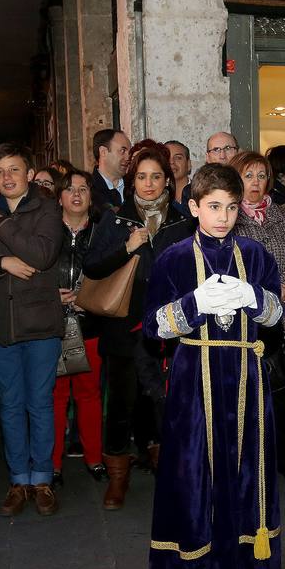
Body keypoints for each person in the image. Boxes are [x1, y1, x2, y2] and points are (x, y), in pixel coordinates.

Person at [142, 162, 284, 569]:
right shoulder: (174, 258)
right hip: (193, 379)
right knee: (194, 476)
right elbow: (154, 325)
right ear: (194, 206)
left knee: (246, 473)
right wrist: (194, 305)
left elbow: (276, 316)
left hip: (245, 374)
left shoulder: (256, 253)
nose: (223, 216)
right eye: (213, 207)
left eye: (230, 206)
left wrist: (253, 296)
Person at [83, 141, 194, 508]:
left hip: (169, 330)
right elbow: (92, 267)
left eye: (156, 177)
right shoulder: (116, 220)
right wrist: (127, 247)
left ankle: (165, 466)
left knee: (164, 402)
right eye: (142, 177)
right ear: (132, 181)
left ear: (168, 180)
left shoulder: (182, 222)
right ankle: (117, 478)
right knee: (121, 404)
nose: (149, 184)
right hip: (123, 328)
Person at [0, 144, 64, 517]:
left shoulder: (47, 208)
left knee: (39, 404)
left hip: (40, 323)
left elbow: (42, 255)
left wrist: (2, 227)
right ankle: (19, 480)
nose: (7, 177)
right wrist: (1, 262)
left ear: (29, 174)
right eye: (0, 172)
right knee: (10, 405)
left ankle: (42, 479)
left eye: (14, 170)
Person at [230, 151, 285, 485]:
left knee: (282, 392)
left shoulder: (279, 213)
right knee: (247, 397)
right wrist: (262, 296)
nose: (257, 183)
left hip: (283, 316)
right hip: (247, 321)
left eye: (262, 176)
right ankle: (252, 463)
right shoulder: (229, 218)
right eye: (249, 176)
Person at [50, 169, 105, 484]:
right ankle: (54, 464)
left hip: (90, 322)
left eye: (83, 189)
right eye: (69, 189)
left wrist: (88, 297)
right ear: (59, 196)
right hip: (53, 323)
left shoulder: (101, 231)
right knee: (56, 396)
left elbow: (112, 275)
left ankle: (95, 459)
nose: (76, 194)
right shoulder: (47, 231)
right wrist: (50, 295)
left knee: (89, 393)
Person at [90, 128, 132, 213]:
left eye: (130, 152)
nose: (128, 158)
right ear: (103, 152)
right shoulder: (88, 191)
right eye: (123, 151)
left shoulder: (135, 186)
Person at [166, 140, 192, 208]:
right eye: (166, 158)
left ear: (188, 164)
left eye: (178, 158)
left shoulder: (203, 193)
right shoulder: (156, 198)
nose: (171, 162)